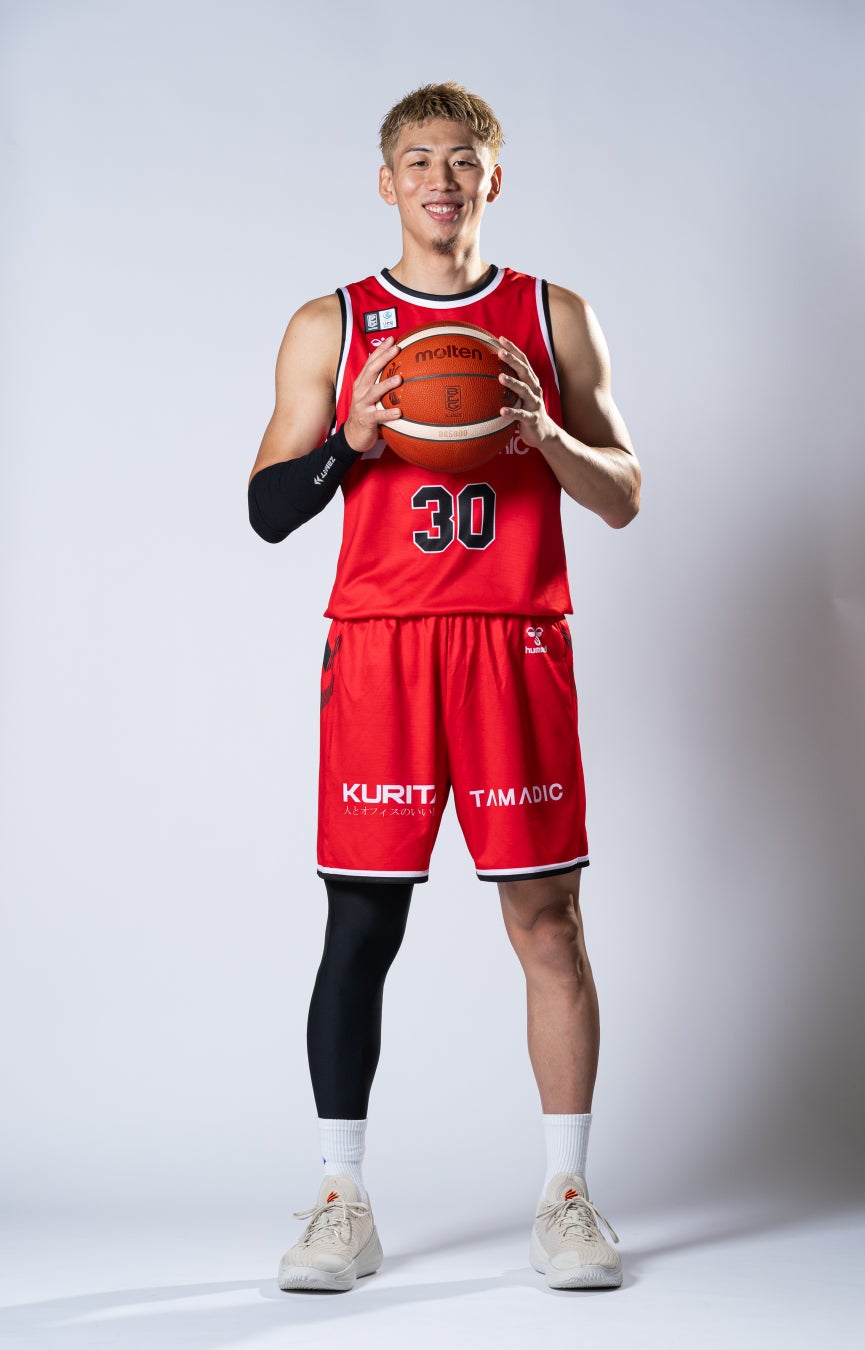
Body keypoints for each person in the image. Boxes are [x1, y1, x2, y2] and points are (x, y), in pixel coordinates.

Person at [248, 81, 640, 1293]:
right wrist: (347, 444)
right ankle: (340, 1202)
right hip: (382, 645)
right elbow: (266, 510)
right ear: (386, 182)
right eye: (417, 159)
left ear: (491, 180)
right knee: (361, 923)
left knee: (547, 920)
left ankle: (567, 1198)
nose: (439, 178)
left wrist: (547, 435)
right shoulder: (330, 323)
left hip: (514, 638)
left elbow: (624, 493)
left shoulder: (552, 315)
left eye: (462, 158)